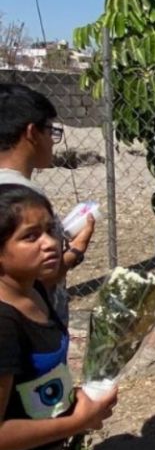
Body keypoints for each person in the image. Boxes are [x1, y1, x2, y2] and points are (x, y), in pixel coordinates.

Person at [0, 184, 117, 450]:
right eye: (30, 236)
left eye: (50, 229)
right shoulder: (4, 323)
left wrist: (75, 399)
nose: (50, 242)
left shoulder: (33, 288)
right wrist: (78, 420)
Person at [0, 83, 96, 324]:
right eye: (51, 131)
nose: (53, 141)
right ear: (32, 133)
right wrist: (75, 251)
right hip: (31, 330)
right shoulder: (24, 198)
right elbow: (39, 278)